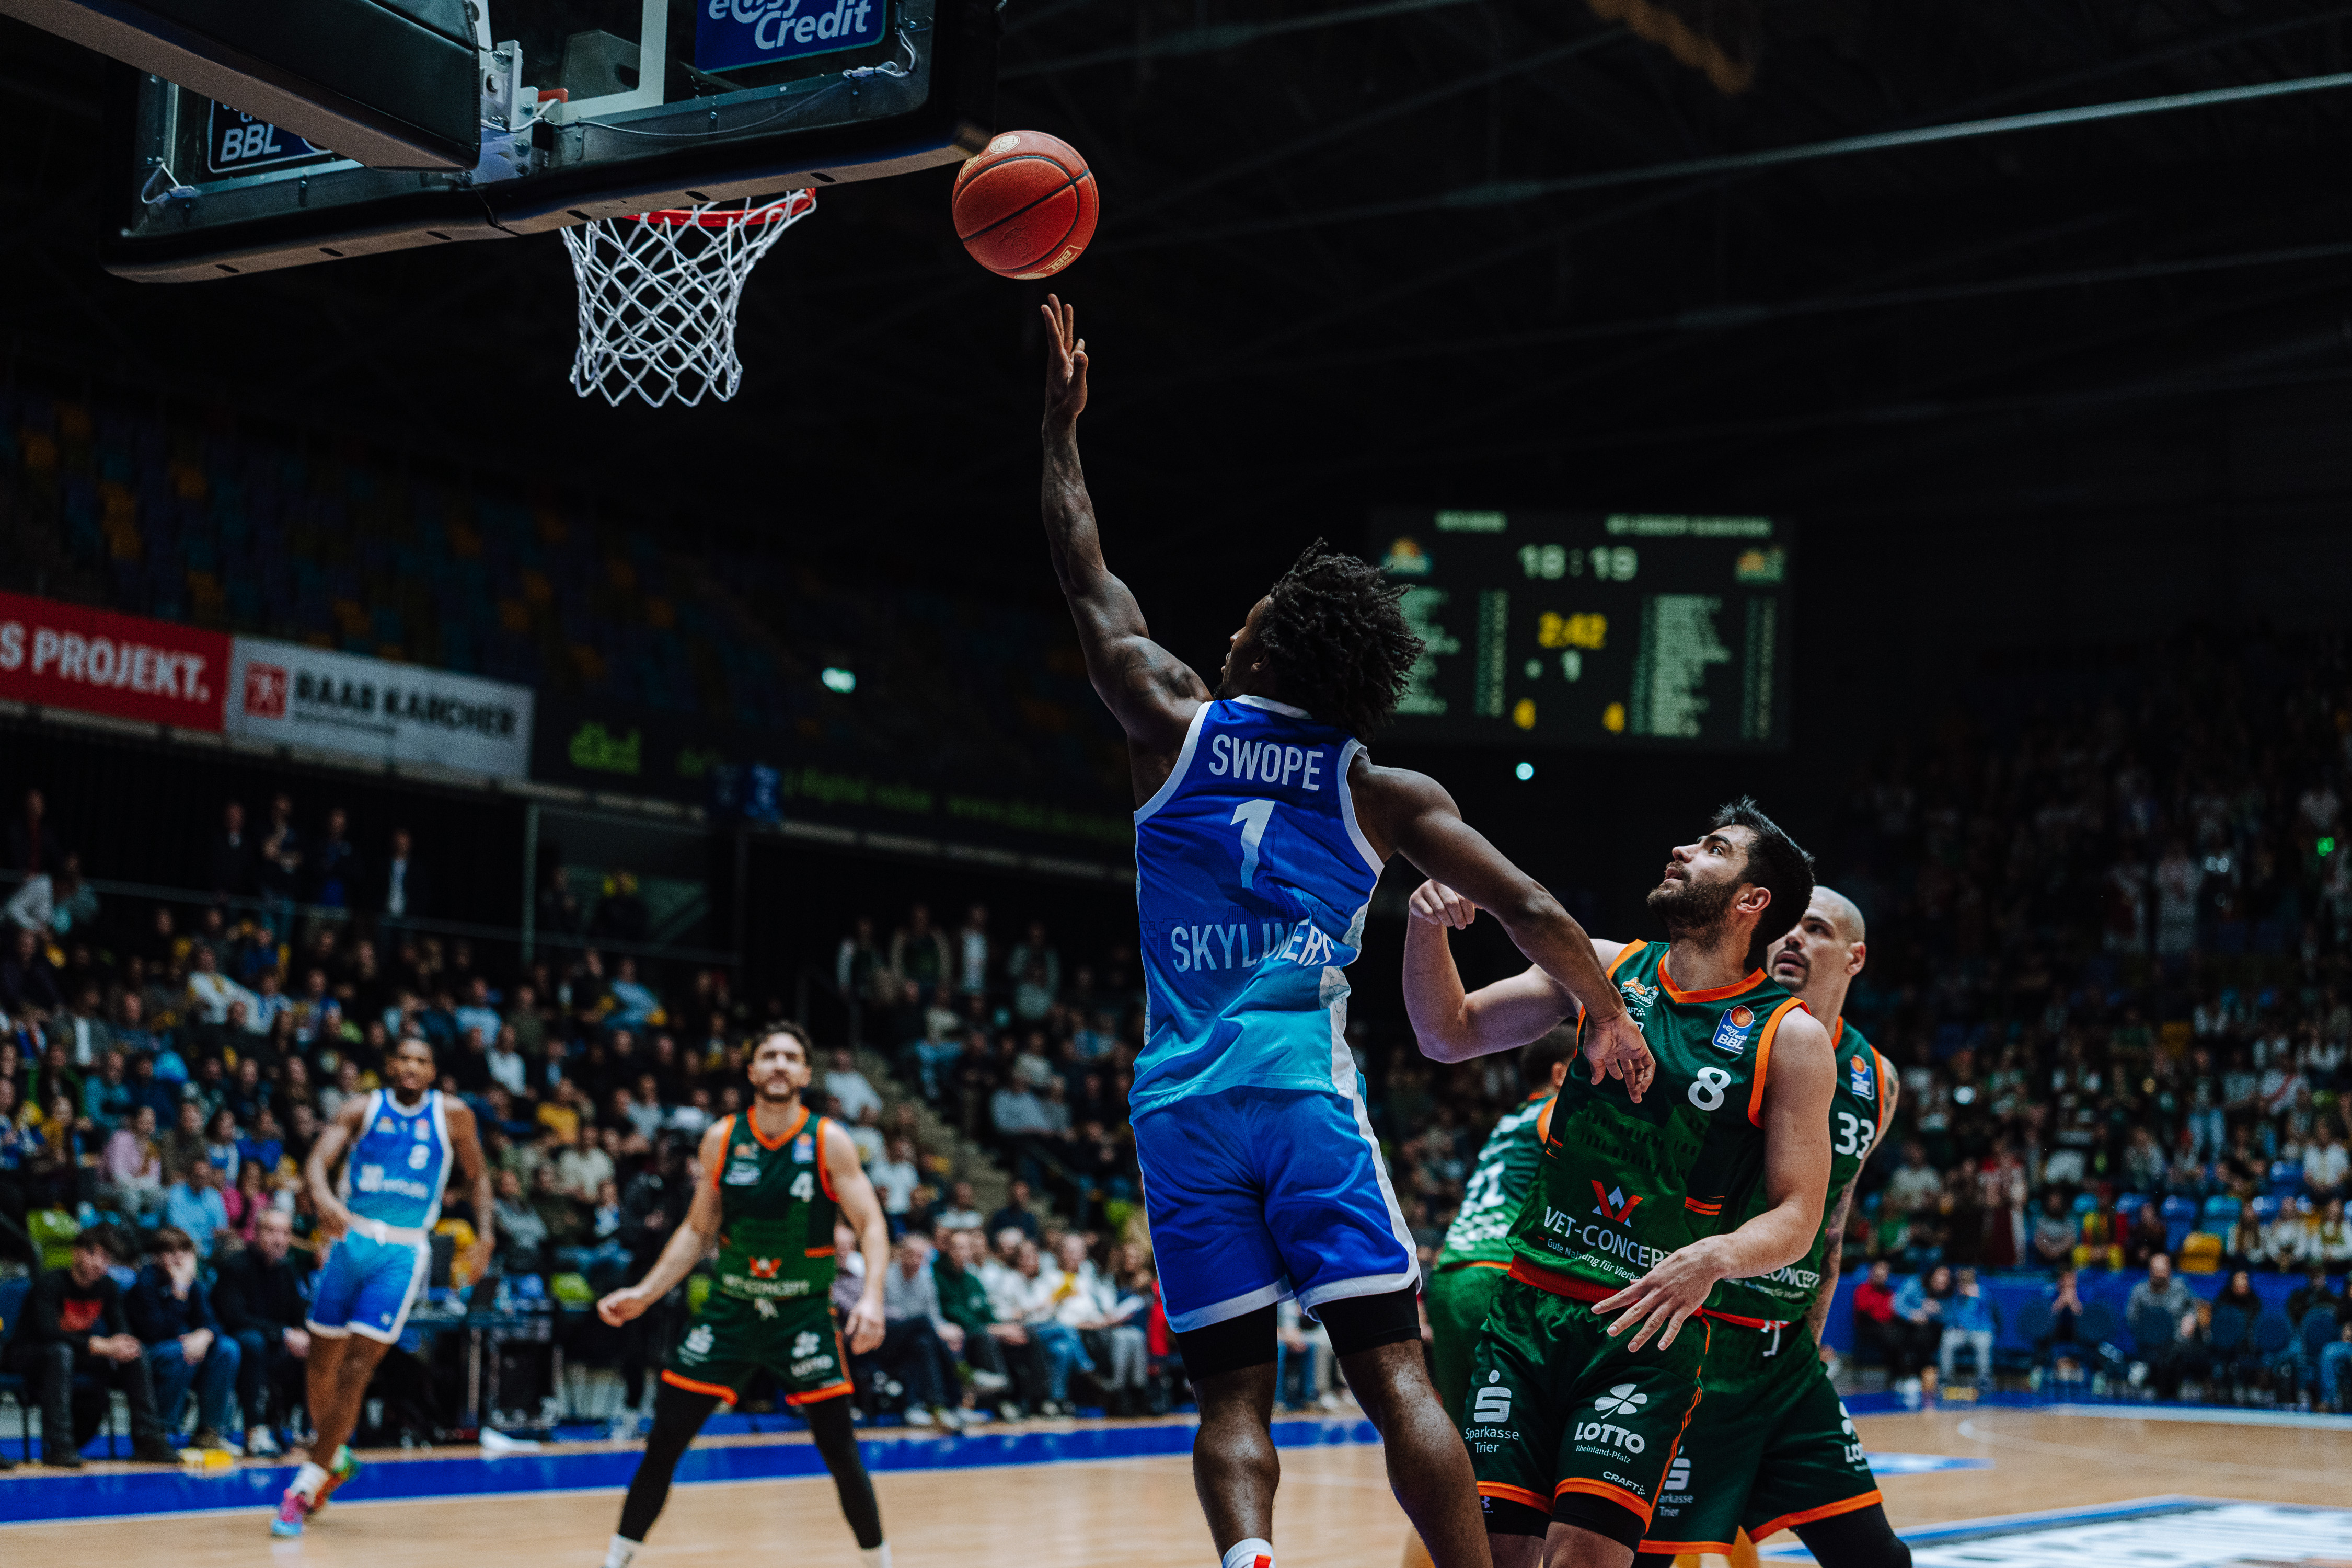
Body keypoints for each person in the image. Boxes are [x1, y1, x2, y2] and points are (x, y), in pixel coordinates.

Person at [1035, 292, 1653, 1568]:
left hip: (1180, 1103)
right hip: (1302, 1096)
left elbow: (1083, 569)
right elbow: (1533, 909)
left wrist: (1059, 429)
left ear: (1270, 648)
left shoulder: (1166, 719)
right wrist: (1603, 1008)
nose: (1233, 622)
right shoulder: (1384, 791)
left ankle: (1249, 1560)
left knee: (1228, 1395)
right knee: (1392, 1373)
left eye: (1250, 615)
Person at [1401, 801, 1837, 1568]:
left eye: (1713, 848)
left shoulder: (1791, 1037)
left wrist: (1713, 1259)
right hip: (1527, 1314)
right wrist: (1425, 926)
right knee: (1493, 1556)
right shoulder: (1600, 966)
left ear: (1752, 899)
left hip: (1643, 1332)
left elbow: (1800, 1216)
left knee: (1584, 1560)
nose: (1682, 849)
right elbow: (1448, 1033)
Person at [1627, 889, 1906, 1567]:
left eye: (1816, 929)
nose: (1793, 938)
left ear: (1854, 957)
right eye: (1787, 926)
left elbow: (1832, 1227)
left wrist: (1811, 1340)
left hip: (1783, 1361)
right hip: (1695, 1343)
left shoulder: (1877, 1078)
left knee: (1877, 1558)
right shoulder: (1725, 1033)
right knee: (1642, 1557)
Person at [593, 1025, 893, 1568]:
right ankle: (615, 1560)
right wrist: (645, 1292)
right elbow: (696, 1230)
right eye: (769, 1056)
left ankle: (881, 1563)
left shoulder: (829, 1140)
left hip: (802, 1315)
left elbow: (871, 1223)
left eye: (791, 1057)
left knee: (840, 1451)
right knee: (665, 1442)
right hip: (731, 1312)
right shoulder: (723, 1138)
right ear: (751, 1070)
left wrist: (872, 1297)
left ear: (806, 1073)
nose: (779, 1064)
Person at [272, 1035, 493, 1536]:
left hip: (403, 1250)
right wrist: (322, 1194)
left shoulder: (454, 1115)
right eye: (404, 1059)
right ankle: (334, 1458)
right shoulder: (362, 1107)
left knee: (357, 1368)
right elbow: (317, 1159)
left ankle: (303, 1487)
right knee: (321, 1365)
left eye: (421, 1060)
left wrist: (486, 1235)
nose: (411, 1067)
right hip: (349, 1241)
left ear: (432, 1071)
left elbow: (479, 1177)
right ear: (390, 1065)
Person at [4, 1228, 180, 1466]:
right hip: (32, 1355)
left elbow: (121, 1327)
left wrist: (122, 1344)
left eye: (105, 1257)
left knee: (134, 1352)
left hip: (76, 1355)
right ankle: (58, 1446)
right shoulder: (50, 1283)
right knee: (61, 1352)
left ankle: (149, 1440)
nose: (99, 1263)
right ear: (76, 1253)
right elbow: (48, 1332)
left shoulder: (107, 1287)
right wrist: (98, 1345)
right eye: (93, 1254)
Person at [128, 1226, 244, 1450]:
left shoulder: (193, 1283)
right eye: (171, 1252)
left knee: (228, 1349)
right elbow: (156, 1331)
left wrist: (205, 1335)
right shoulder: (145, 1282)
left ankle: (209, 1432)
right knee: (180, 1352)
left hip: (188, 1353)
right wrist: (179, 1294)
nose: (179, 1258)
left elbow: (212, 1322)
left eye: (184, 1251)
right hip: (149, 1354)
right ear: (156, 1256)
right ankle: (162, 1432)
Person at [214, 1207, 311, 1456]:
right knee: (253, 1342)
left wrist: (302, 1334)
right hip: (239, 1344)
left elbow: (299, 1313)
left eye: (285, 1233)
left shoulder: (287, 1270)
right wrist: (284, 1334)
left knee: (315, 1346)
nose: (279, 1239)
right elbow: (234, 1317)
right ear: (255, 1233)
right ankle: (255, 1430)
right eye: (271, 1231)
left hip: (275, 1343)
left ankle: (309, 1430)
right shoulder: (235, 1266)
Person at [2125, 1252, 2200, 1401]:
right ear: (2150, 1272)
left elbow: (2192, 1310)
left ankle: (2174, 1397)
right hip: (2150, 1344)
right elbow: (2131, 1319)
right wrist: (2148, 1332)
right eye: (2156, 1271)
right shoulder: (2139, 1292)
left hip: (2178, 1342)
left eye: (2163, 1271)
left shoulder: (2180, 1287)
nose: (2160, 1275)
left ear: (2170, 1271)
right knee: (2158, 1359)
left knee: (2184, 1353)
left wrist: (2191, 1319)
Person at [1938, 1267, 1997, 1389]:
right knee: (1948, 1339)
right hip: (1960, 1333)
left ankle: (1984, 1380)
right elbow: (1950, 1317)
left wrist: (1975, 1297)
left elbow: (1988, 1315)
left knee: (1984, 1343)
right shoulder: (1955, 1295)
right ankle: (1945, 1379)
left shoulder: (1982, 1293)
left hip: (1981, 1332)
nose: (1964, 1284)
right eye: (1962, 1281)